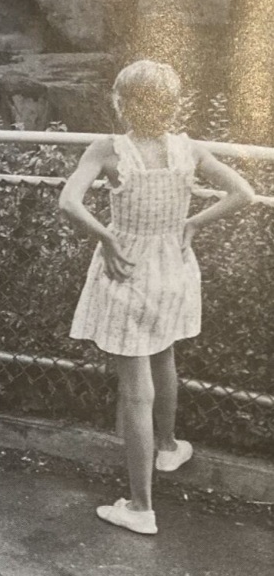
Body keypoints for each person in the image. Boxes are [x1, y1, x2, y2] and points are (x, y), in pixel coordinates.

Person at [59, 60, 254, 534]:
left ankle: (141, 506)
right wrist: (191, 224)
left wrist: (106, 237)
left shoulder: (109, 148)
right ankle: (166, 447)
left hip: (127, 266)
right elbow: (244, 194)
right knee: (163, 352)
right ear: (172, 105)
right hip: (174, 266)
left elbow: (69, 201)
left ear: (121, 104)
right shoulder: (191, 149)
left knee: (135, 388)